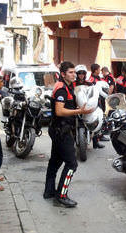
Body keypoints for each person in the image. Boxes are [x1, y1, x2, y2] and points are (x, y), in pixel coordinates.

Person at [43, 61, 93, 208]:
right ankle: (61, 195)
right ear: (63, 74)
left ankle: (49, 191)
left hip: (60, 129)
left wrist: (75, 108)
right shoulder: (61, 89)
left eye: (74, 72)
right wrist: (79, 111)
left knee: (55, 161)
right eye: (70, 72)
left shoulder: (67, 87)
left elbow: (66, 106)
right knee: (71, 163)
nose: (74, 74)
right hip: (61, 131)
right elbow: (59, 111)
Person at [88, 64, 108, 148]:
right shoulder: (91, 80)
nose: (100, 70)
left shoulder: (99, 78)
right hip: (95, 102)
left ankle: (100, 136)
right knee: (96, 120)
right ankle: (95, 142)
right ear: (95, 70)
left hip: (101, 101)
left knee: (101, 119)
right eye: (99, 69)